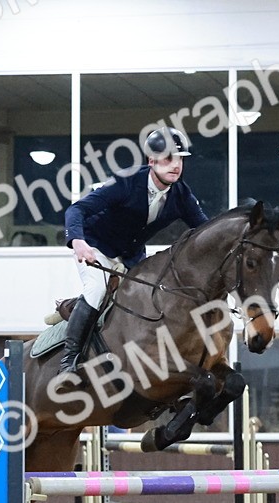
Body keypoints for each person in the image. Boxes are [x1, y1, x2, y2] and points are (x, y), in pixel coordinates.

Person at [58, 126, 209, 373]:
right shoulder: (126, 182)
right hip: (97, 248)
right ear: (151, 161)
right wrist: (77, 241)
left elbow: (204, 230)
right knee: (96, 290)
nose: (176, 165)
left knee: (156, 297)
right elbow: (76, 210)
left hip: (132, 256)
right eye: (169, 158)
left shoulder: (181, 194)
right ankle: (69, 359)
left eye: (180, 159)